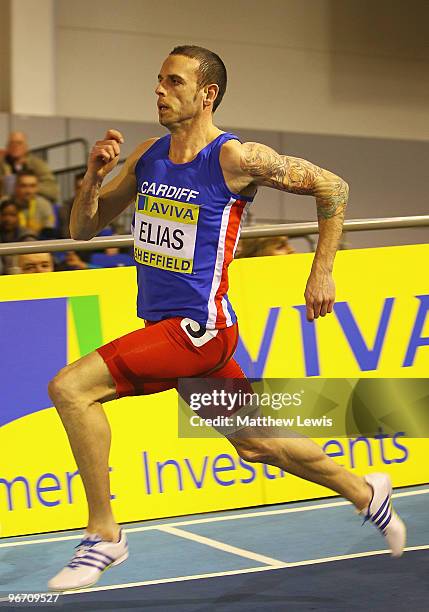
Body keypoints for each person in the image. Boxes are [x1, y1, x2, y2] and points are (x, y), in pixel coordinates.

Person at [47, 45, 405, 591]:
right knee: (257, 443)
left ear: (206, 93)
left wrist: (322, 271)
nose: (159, 91)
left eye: (172, 81)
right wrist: (94, 177)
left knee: (71, 389)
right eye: (158, 81)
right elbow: (83, 231)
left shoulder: (236, 159)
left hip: (199, 331)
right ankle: (367, 491)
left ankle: (104, 535)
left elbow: (334, 187)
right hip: (166, 328)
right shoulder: (148, 155)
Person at [0, 131, 59, 202]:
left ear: (26, 146)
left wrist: (28, 187)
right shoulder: (2, 164)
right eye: (12, 143)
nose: (15, 146)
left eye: (19, 143)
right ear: (7, 147)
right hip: (6, 206)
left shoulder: (38, 165)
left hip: (34, 204)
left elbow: (52, 191)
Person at [11, 170, 56, 236]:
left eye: (32, 186)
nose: (28, 191)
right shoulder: (6, 204)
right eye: (23, 186)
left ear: (37, 188)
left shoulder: (44, 204)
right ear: (16, 187)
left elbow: (49, 231)